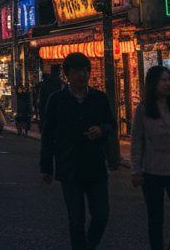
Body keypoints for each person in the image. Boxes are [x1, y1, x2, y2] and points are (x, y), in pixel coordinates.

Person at [41, 52, 114, 250]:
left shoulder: (99, 98)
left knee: (101, 214)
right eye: (76, 72)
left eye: (84, 71)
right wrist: (46, 166)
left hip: (95, 165)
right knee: (76, 220)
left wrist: (101, 129)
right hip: (69, 165)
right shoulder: (57, 100)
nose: (81, 75)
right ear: (67, 75)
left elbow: (111, 124)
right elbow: (48, 134)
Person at [132, 65, 170, 250]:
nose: (168, 84)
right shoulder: (143, 110)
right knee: (155, 217)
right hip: (152, 170)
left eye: (169, 80)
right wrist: (135, 170)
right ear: (153, 84)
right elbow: (137, 141)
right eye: (163, 80)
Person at [36, 68, 64, 132]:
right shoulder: (60, 83)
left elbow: (41, 96)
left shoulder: (43, 85)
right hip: (54, 104)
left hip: (45, 104)